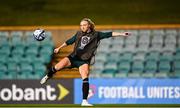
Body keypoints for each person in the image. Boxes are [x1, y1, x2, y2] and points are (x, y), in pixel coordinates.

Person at [40, 18, 131, 106]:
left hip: (84, 61)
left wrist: (122, 34)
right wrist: (59, 48)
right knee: (57, 67)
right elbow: (69, 41)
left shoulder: (96, 35)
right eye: (81, 25)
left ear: (89, 25)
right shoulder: (79, 33)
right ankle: (48, 76)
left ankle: (84, 101)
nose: (82, 27)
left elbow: (109, 34)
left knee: (85, 77)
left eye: (84, 25)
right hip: (73, 58)